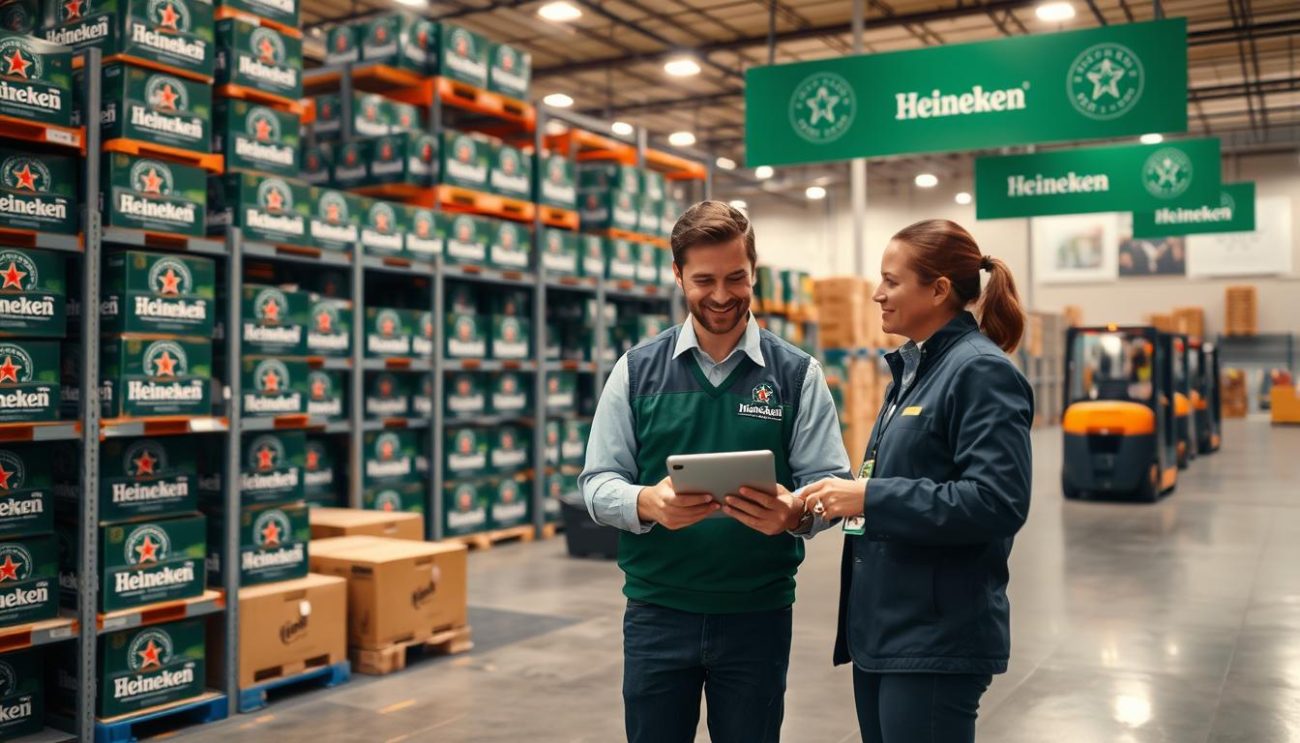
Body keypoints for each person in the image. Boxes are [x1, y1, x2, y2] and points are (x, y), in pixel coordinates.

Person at [580, 201, 850, 743]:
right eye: (704, 280)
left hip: (757, 614)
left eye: (736, 278)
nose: (722, 295)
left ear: (754, 272)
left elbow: (830, 485)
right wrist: (646, 504)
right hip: (658, 613)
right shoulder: (635, 371)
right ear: (678, 274)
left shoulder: (797, 375)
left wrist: (795, 513)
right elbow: (597, 482)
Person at [803, 219, 1034, 743]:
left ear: (938, 289)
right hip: (886, 629)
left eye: (891, 281)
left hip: (935, 639)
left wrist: (868, 496)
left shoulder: (979, 372)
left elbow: (998, 501)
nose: (877, 295)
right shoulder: (914, 370)